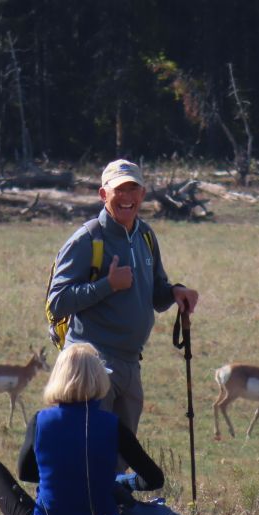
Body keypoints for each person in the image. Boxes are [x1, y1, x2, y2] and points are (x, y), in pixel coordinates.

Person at [0, 343, 198, 515]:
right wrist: (121, 482)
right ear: (100, 378)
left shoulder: (41, 421)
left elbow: (26, 473)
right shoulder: (113, 425)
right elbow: (154, 479)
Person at [46, 159, 199, 443]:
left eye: (133, 189)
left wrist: (176, 292)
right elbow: (58, 302)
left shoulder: (145, 236)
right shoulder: (86, 239)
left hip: (130, 364)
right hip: (89, 365)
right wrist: (108, 285)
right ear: (103, 194)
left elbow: (156, 294)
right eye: (119, 190)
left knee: (119, 461)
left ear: (142, 194)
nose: (127, 198)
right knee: (87, 455)